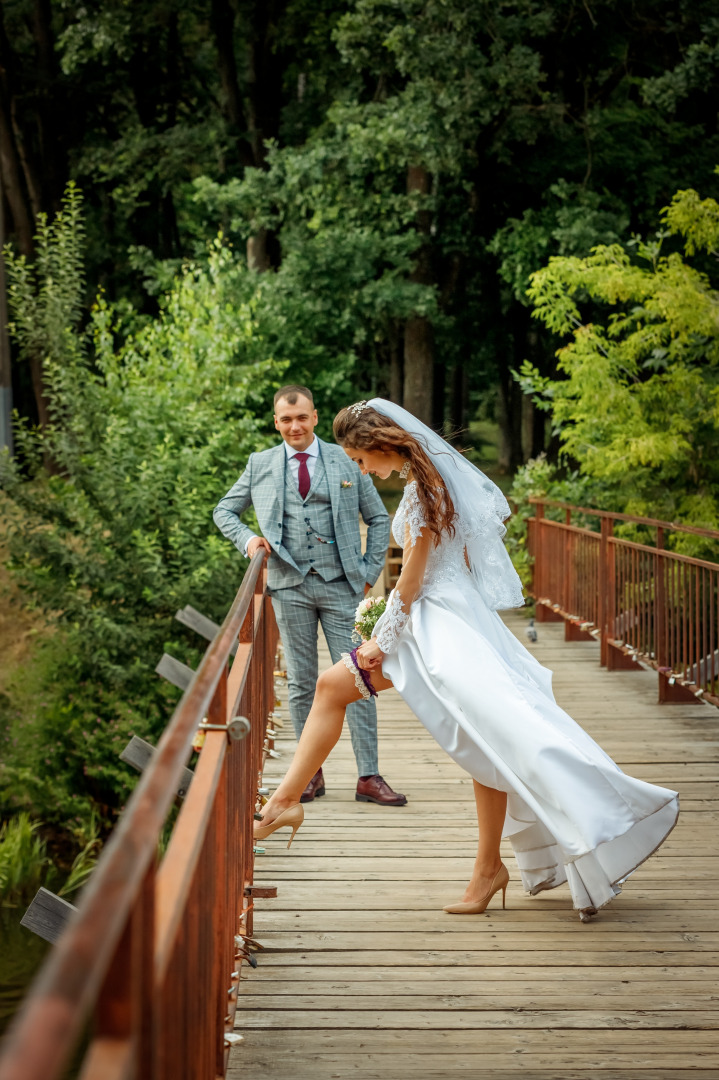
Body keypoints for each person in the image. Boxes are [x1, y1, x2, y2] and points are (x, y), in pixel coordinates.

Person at [254, 398, 679, 920]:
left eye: (362, 460)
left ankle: (292, 805)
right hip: (444, 619)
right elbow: (453, 566)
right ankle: (291, 803)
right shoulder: (432, 483)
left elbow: (412, 582)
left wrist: (380, 639)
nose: (364, 470)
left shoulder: (426, 490)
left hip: (438, 630)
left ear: (382, 443)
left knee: (485, 738)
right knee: (442, 725)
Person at [213, 385, 406, 806]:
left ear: (314, 417)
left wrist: (370, 571)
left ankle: (368, 776)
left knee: (359, 676)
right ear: (276, 422)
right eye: (285, 419)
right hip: (288, 585)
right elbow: (223, 511)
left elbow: (377, 518)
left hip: (342, 585)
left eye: (300, 417)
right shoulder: (259, 464)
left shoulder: (346, 458)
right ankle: (310, 776)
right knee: (301, 682)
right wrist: (248, 541)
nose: (294, 426)